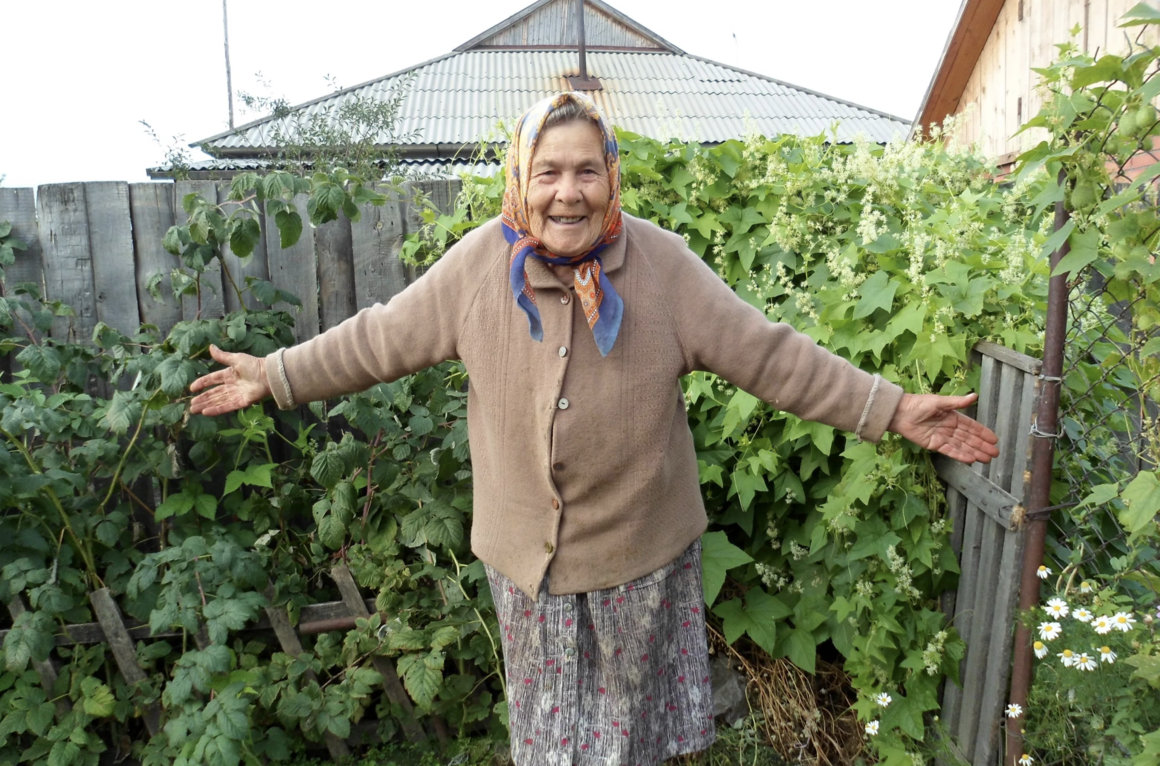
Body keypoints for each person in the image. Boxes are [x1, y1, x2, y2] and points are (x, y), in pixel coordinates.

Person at [190, 91, 998, 765]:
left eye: (585, 170)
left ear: (612, 180)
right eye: (547, 171)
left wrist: (889, 408)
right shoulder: (478, 268)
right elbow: (379, 337)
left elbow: (769, 355)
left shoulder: (662, 266)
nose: (565, 192)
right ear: (520, 179)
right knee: (551, 752)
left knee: (635, 750)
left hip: (639, 567)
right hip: (528, 576)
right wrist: (278, 373)